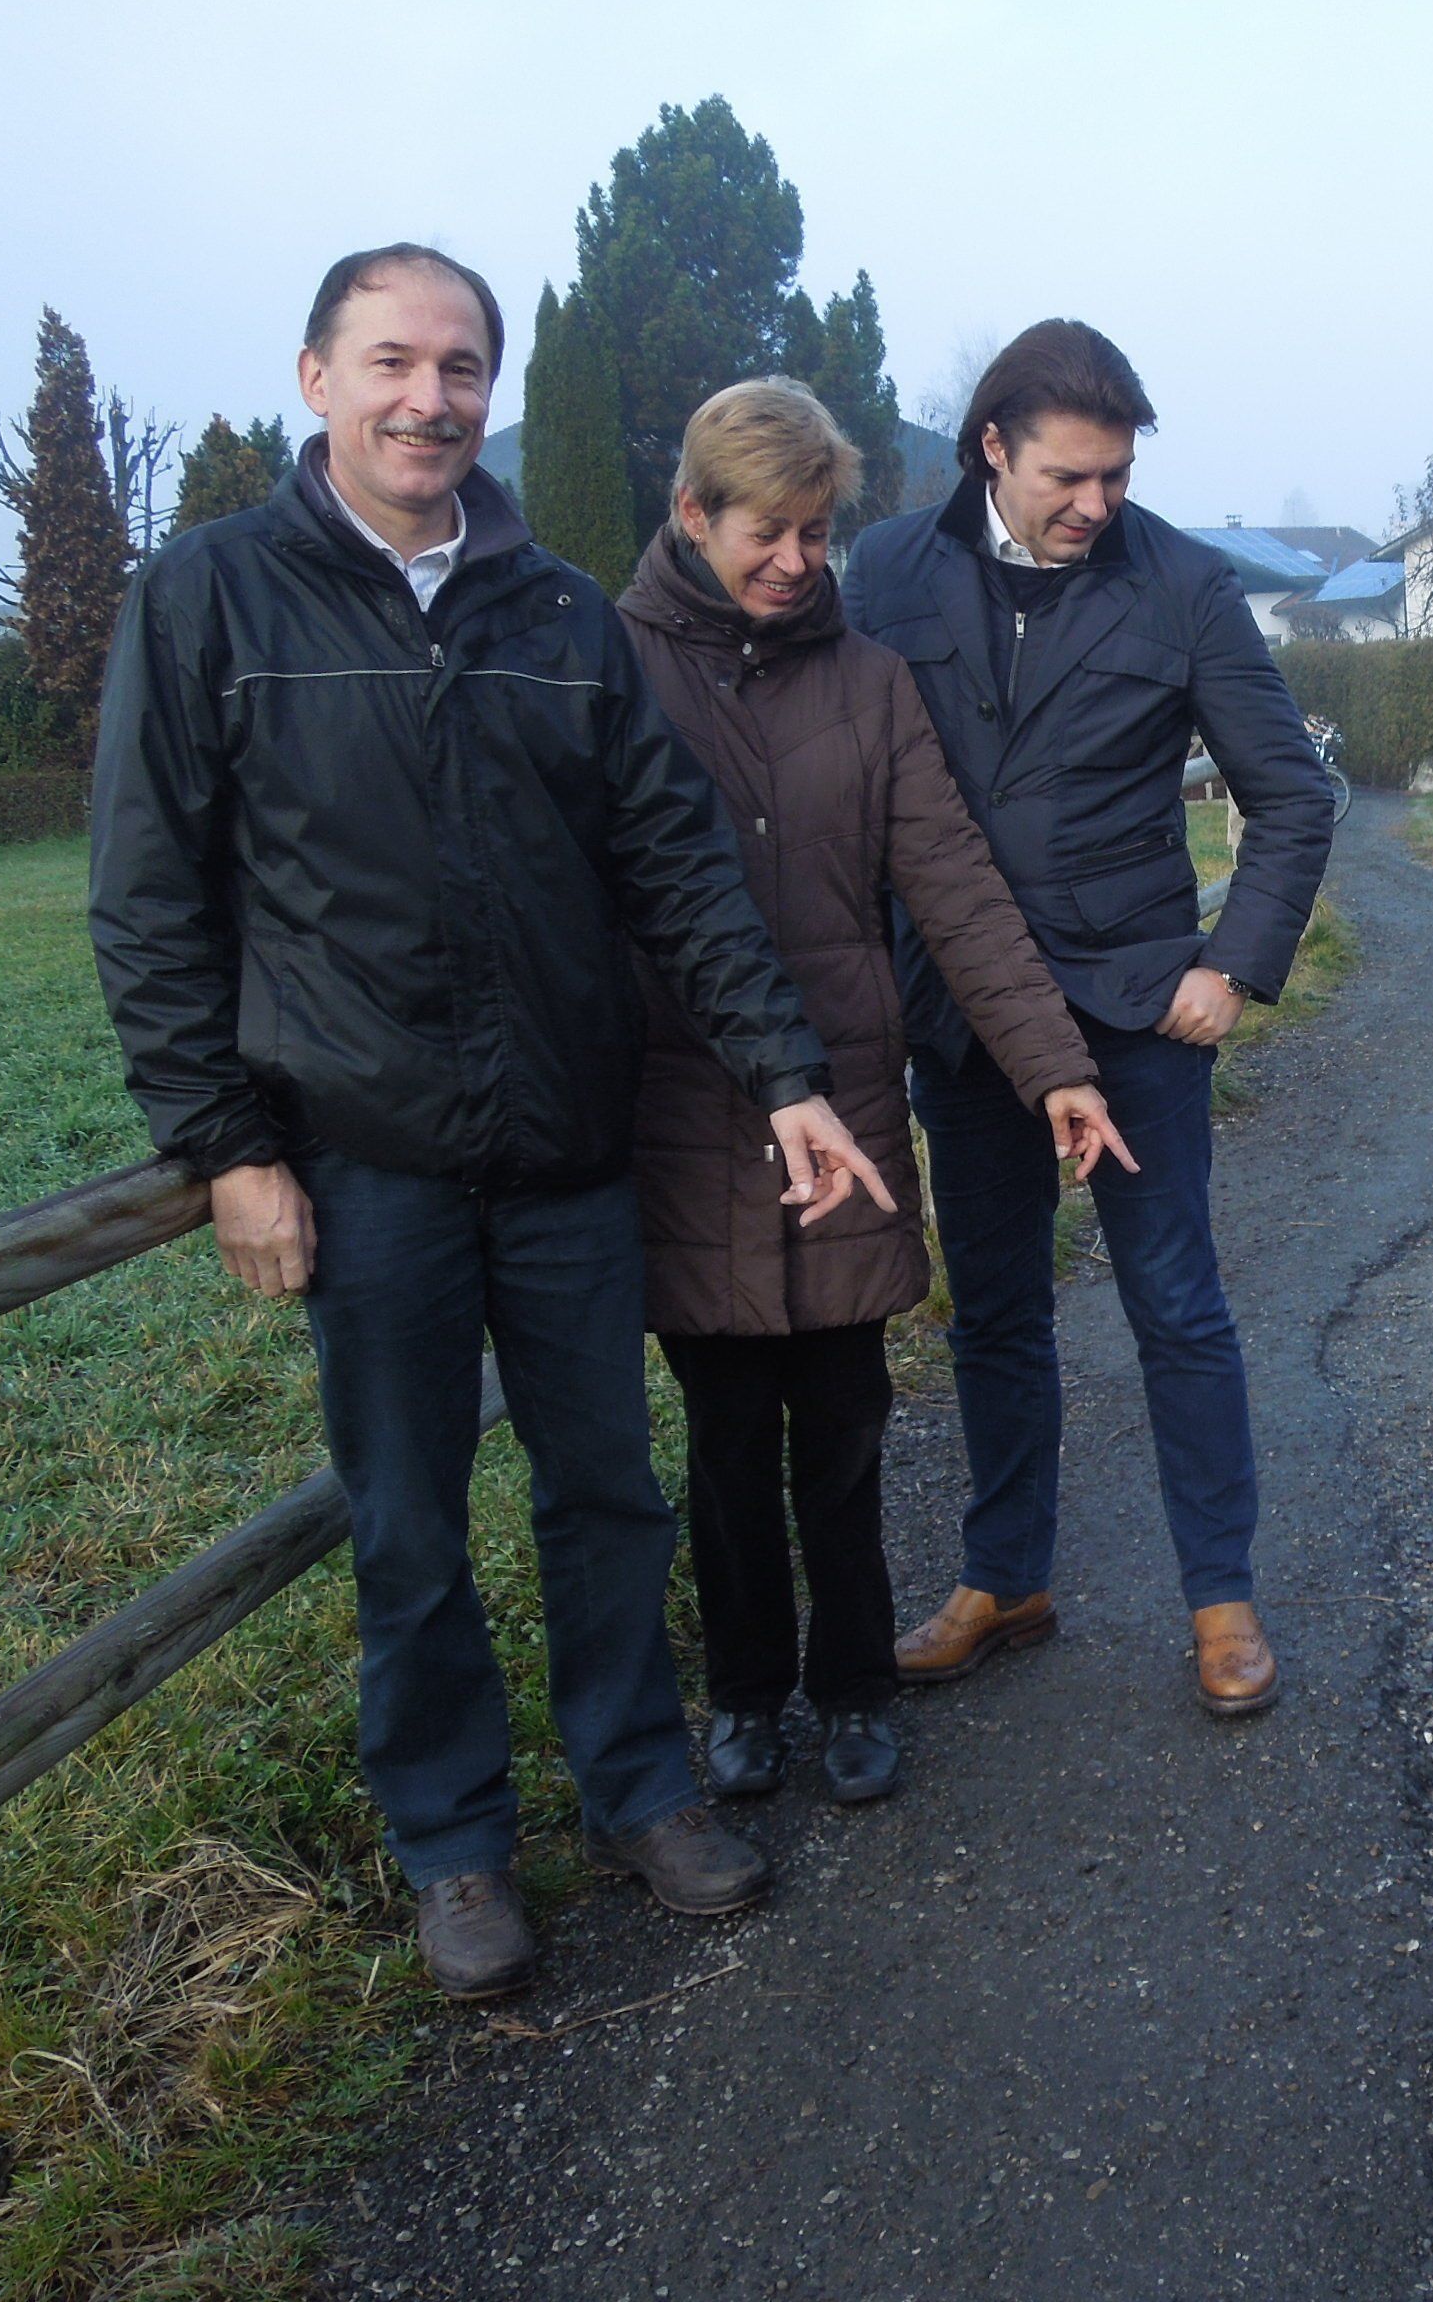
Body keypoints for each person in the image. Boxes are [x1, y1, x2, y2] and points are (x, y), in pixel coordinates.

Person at [89, 245, 893, 2003]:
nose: (429, 398)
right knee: (411, 1519)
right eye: (392, 361)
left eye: (462, 367)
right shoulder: (212, 602)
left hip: (563, 1157)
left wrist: (782, 1073)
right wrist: (226, 1144)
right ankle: (457, 1848)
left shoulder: (554, 617)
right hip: (364, 1160)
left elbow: (673, 862)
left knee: (609, 1495)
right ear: (316, 378)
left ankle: (638, 1790)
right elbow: (152, 902)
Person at [618, 378, 1133, 1807]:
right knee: (724, 1438)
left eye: (817, 532)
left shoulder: (869, 684)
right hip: (689, 1114)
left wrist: (1057, 1072)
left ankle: (850, 1688)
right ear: (692, 515)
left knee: (844, 1423)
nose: (796, 561)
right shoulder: (614, 668)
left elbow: (960, 895)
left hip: (843, 1105)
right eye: (766, 532)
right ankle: (743, 1695)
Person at [841, 320, 1335, 1717]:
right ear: (991, 447)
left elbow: (1293, 796)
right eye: (1069, 477)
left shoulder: (1182, 585)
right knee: (992, 1311)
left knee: (1177, 1306)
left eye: (1116, 477)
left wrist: (1229, 966)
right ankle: (1007, 1578)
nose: (1097, 505)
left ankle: (1222, 1600)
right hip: (958, 1016)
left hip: (1131, 1017)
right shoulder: (885, 572)